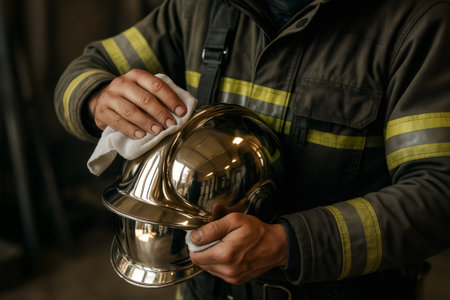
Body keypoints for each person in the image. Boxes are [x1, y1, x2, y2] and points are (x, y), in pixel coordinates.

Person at [54, 0, 450, 299]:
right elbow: (85, 68)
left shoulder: (418, 23)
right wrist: (97, 98)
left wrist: (290, 244)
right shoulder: (197, 9)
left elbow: (438, 192)